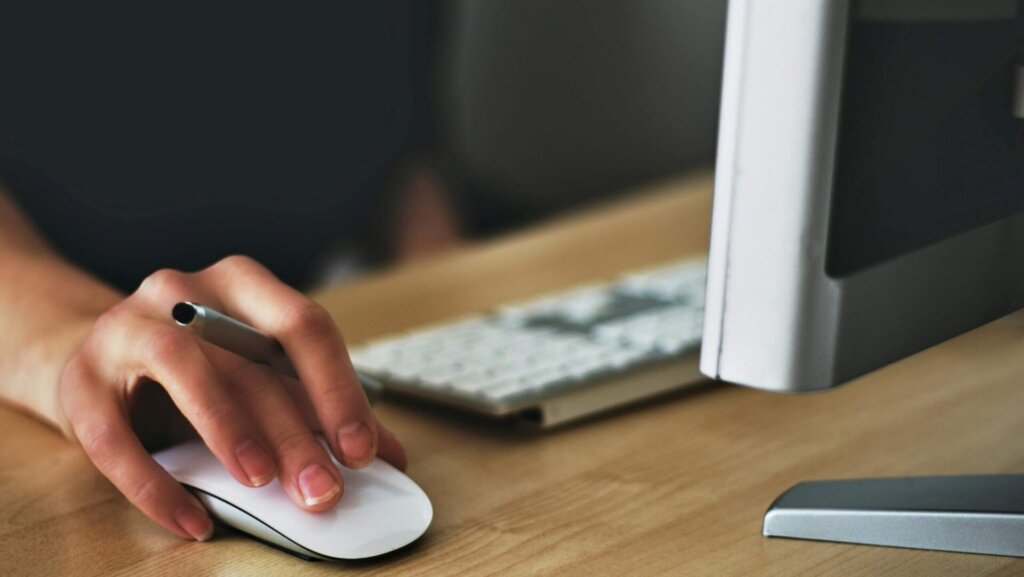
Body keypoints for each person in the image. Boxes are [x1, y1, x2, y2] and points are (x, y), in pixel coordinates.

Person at [0, 3, 453, 542]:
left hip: (304, 329)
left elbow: (413, 148)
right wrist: (76, 341)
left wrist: (451, 319)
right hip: (84, 303)